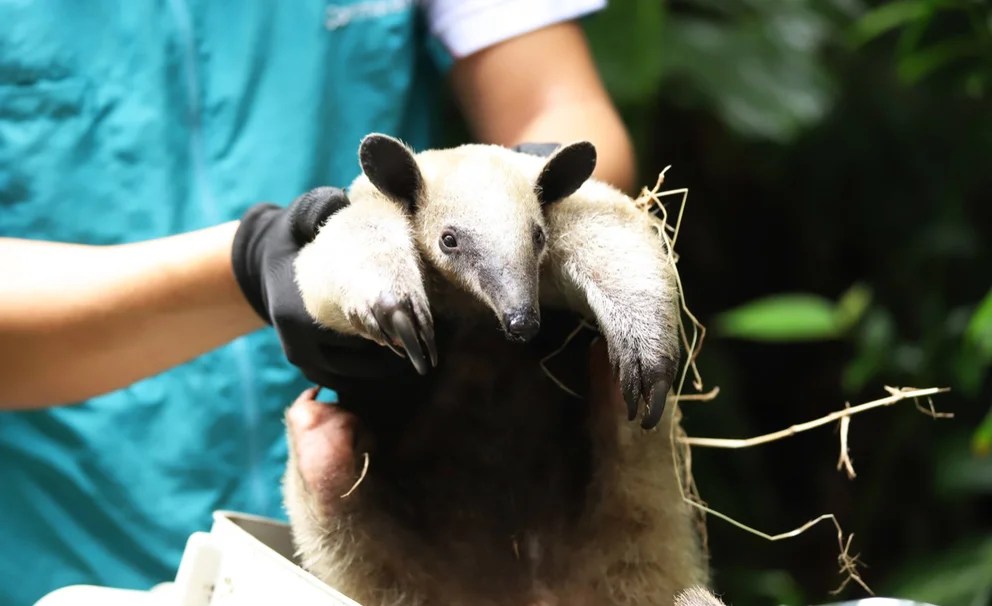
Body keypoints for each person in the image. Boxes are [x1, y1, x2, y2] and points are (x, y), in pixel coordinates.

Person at [0, 1, 636, 604]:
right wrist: (254, 262)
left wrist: (525, 197)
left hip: (409, 509)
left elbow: (557, 107)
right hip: (71, 539)